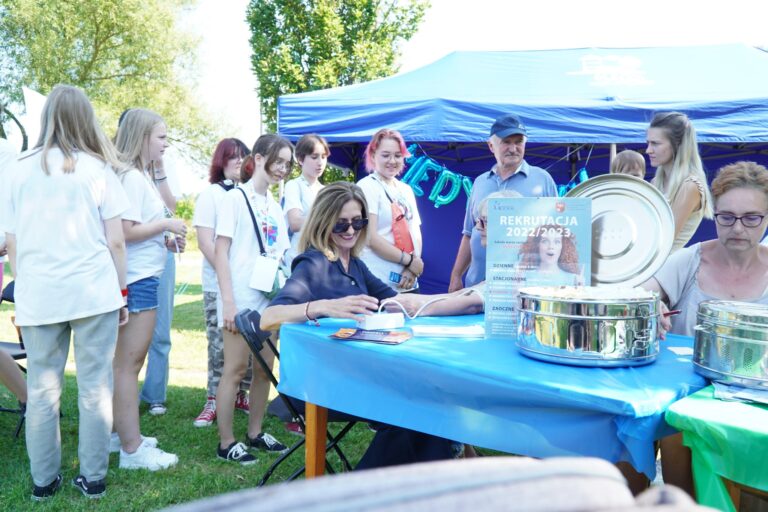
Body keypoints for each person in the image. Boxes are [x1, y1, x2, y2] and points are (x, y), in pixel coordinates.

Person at [261, 181, 457, 469]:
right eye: (341, 224)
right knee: (409, 409)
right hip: (318, 383)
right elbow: (268, 318)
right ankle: (365, 485)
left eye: (358, 222)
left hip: (356, 374)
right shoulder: (314, 264)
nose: (351, 230)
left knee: (430, 399)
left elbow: (402, 302)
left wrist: (465, 298)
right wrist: (323, 307)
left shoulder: (354, 264)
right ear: (324, 222)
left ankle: (425, 483)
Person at [1, 84, 129, 500]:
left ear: (46, 117)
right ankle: (93, 478)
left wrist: (25, 285)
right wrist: (122, 291)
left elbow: (12, 242)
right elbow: (116, 241)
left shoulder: (17, 169)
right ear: (86, 118)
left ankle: (44, 482)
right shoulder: (98, 169)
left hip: (40, 292)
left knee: (42, 390)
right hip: (94, 291)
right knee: (95, 387)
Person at [642, 160, 768, 497]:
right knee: (675, 432)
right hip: (686, 398)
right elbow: (640, 295)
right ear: (714, 214)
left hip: (754, 405)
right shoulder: (689, 260)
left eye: (751, 218)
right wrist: (651, 306)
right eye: (726, 217)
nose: (737, 228)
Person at [112, 108, 186, 471]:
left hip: (143, 275)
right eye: (161, 137)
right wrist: (166, 226)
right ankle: (132, 449)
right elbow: (124, 231)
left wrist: (166, 240)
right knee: (129, 366)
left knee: (125, 365)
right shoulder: (131, 177)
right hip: (138, 280)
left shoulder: (138, 175)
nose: (165, 144)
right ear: (143, 137)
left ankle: (117, 434)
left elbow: (140, 227)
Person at [214, 134, 293, 464]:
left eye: (287, 164)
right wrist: (229, 302)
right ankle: (226, 442)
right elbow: (220, 252)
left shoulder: (275, 206)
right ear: (258, 158)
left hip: (268, 300)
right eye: (278, 161)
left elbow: (282, 253)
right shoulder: (235, 198)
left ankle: (255, 432)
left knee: (264, 370)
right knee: (234, 370)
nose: (283, 169)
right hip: (240, 298)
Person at [449, 114, 558, 292]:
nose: (513, 148)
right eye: (506, 142)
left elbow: (556, 232)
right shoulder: (480, 182)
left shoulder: (543, 180)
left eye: (519, 142)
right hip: (475, 285)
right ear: (491, 146)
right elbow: (469, 234)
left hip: (520, 289)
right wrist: (456, 276)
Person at [192, 138, 252, 428]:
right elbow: (206, 242)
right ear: (221, 161)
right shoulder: (211, 195)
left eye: (243, 156)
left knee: (248, 343)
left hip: (248, 287)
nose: (239, 161)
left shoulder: (250, 195)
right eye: (232, 156)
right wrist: (228, 275)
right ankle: (213, 399)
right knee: (219, 345)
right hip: (218, 284)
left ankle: (241, 395)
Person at [357, 129, 423, 292]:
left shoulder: (406, 189)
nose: (392, 161)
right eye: (386, 155)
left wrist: (412, 267)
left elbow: (415, 233)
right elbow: (370, 237)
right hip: (378, 280)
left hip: (408, 280)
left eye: (398, 155)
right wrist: (409, 261)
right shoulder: (366, 186)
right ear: (373, 155)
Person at [647, 112, 713, 252]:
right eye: (648, 143)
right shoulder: (655, 182)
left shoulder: (690, 186)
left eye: (655, 144)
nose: (648, 150)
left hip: (666, 263)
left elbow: (664, 239)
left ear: (677, 145)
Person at [283, 133, 329, 268]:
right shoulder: (294, 185)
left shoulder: (326, 190)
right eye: (314, 157)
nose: (320, 162)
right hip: (298, 258)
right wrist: (329, 219)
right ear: (300, 159)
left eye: (323, 157)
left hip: (321, 259)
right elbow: (295, 223)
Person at [517, 224, 584, 286]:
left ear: (563, 246)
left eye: (557, 242)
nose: (551, 246)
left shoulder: (573, 279)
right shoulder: (524, 277)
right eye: (545, 241)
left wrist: (580, 289)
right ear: (537, 245)